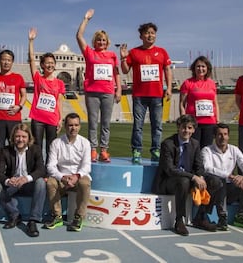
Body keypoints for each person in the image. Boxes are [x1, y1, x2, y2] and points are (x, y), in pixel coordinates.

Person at [152, 114, 216, 236]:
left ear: (193, 130)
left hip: (187, 178)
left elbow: (199, 166)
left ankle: (201, 216)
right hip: (168, 181)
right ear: (178, 128)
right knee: (184, 181)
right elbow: (170, 170)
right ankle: (179, 220)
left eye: (189, 128)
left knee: (214, 181)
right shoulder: (168, 144)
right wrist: (193, 177)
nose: (186, 130)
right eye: (183, 127)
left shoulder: (195, 144)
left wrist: (200, 176)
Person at [120, 22, 172, 163]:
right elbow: (125, 70)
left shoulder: (162, 52)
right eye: (147, 33)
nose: (150, 35)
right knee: (138, 125)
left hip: (156, 95)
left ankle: (156, 150)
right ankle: (137, 150)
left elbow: (167, 69)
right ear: (141, 36)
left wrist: (169, 88)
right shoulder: (135, 52)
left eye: (152, 33)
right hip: (139, 96)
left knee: (157, 126)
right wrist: (123, 58)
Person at [76, 9, 122, 162]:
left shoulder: (112, 55)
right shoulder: (89, 53)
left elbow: (116, 74)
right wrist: (86, 19)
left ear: (107, 42)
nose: (101, 42)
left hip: (108, 92)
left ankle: (104, 150)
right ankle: (92, 150)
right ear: (94, 42)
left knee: (106, 123)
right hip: (92, 92)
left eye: (103, 40)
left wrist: (119, 90)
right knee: (93, 123)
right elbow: (79, 36)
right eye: (99, 40)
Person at [0, 123, 46, 237]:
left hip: (28, 184)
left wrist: (26, 178)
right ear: (13, 138)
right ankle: (15, 215)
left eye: (23, 137)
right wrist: (8, 181)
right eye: (17, 136)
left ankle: (33, 220)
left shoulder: (35, 149)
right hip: (13, 184)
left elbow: (41, 170)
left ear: (29, 138)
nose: (20, 139)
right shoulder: (5, 151)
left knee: (41, 182)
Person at [201, 123, 243, 231]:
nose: (223, 137)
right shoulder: (207, 150)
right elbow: (207, 168)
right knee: (220, 180)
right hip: (214, 191)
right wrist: (228, 176)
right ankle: (222, 217)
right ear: (214, 136)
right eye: (219, 134)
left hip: (230, 189)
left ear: (228, 136)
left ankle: (241, 215)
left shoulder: (234, 149)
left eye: (225, 134)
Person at [45, 113, 91, 232]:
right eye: (70, 125)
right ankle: (57, 216)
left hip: (78, 178)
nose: (73, 128)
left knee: (85, 183)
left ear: (80, 126)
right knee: (50, 182)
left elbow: (87, 166)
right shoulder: (56, 143)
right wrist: (62, 177)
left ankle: (78, 217)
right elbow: (50, 166)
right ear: (65, 126)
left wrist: (76, 176)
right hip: (62, 179)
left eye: (76, 125)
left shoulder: (85, 143)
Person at [28, 28, 65, 162]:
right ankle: (38, 170)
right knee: (37, 147)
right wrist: (31, 41)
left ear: (55, 65)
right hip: (38, 118)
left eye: (52, 63)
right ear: (42, 65)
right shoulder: (38, 78)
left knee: (52, 147)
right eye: (47, 63)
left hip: (52, 119)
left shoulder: (60, 83)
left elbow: (59, 101)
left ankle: (50, 171)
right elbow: (32, 60)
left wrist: (60, 119)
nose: (50, 65)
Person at [180, 56, 219, 148]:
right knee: (193, 148)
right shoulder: (187, 83)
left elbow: (215, 103)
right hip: (193, 122)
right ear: (194, 68)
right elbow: (182, 103)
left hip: (210, 122)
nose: (200, 69)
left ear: (207, 68)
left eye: (203, 66)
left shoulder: (212, 83)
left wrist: (217, 120)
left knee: (207, 150)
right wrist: (183, 119)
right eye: (198, 66)